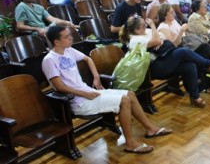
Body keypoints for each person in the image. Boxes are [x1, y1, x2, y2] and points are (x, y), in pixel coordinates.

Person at [42, 25, 171, 154]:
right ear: (56, 42)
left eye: (70, 35)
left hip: (88, 93)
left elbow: (87, 59)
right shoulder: (49, 60)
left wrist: (96, 77)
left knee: (130, 94)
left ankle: (150, 129)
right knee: (124, 100)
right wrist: (84, 93)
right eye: (66, 37)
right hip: (79, 102)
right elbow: (59, 86)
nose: (71, 38)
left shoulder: (69, 50)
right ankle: (130, 143)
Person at [156, 5, 210, 96]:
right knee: (204, 51)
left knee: (205, 49)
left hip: (188, 46)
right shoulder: (163, 27)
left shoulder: (173, 22)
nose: (173, 13)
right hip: (179, 53)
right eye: (171, 12)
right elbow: (172, 46)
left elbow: (187, 34)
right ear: (164, 14)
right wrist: (181, 31)